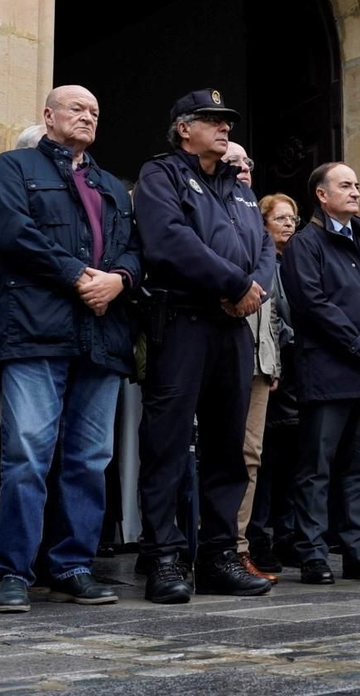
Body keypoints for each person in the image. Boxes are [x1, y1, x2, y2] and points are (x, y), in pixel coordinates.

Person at [0, 85, 142, 612]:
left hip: (102, 334)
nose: (88, 116)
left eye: (96, 111)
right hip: (35, 330)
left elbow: (135, 251)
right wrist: (79, 276)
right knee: (27, 453)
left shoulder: (113, 186)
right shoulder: (15, 165)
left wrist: (119, 279)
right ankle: (13, 571)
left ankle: (73, 566)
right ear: (48, 116)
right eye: (77, 108)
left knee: (90, 458)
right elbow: (12, 232)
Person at [134, 89, 273, 602]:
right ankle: (163, 557)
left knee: (227, 446)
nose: (225, 128)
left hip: (233, 328)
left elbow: (263, 249)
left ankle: (218, 555)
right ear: (183, 128)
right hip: (184, 321)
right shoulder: (162, 175)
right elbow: (169, 240)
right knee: (168, 444)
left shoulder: (237, 188)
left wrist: (254, 288)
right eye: (212, 120)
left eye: (227, 122)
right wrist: (234, 285)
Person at [282, 162, 360, 584]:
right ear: (321, 194)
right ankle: (313, 554)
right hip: (329, 372)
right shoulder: (306, 244)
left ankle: (359, 551)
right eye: (345, 185)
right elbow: (313, 305)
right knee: (317, 468)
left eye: (357, 184)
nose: (356, 191)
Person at [245, 194, 298, 575]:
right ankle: (254, 537)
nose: (289, 224)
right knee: (258, 456)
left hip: (286, 365)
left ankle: (285, 534)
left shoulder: (295, 260)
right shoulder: (262, 260)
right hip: (264, 359)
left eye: (293, 218)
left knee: (285, 458)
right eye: (280, 218)